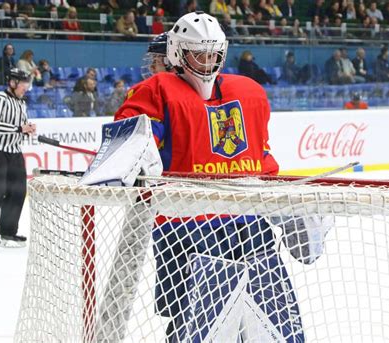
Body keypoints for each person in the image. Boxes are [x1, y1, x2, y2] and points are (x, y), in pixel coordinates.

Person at [114, 11, 330, 341]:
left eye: (213, 54)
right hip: (186, 227)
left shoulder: (249, 91)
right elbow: (130, 143)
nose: (206, 62)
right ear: (178, 53)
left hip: (248, 222)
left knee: (270, 321)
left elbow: (259, 159)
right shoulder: (157, 91)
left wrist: (287, 208)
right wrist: (131, 156)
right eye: (198, 54)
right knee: (196, 323)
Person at [0, 68, 36, 249]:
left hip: (14, 151)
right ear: (12, 83)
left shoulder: (21, 103)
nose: (26, 87)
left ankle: (8, 233)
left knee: (18, 191)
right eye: (23, 83)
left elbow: (21, 126)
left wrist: (28, 130)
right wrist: (20, 129)